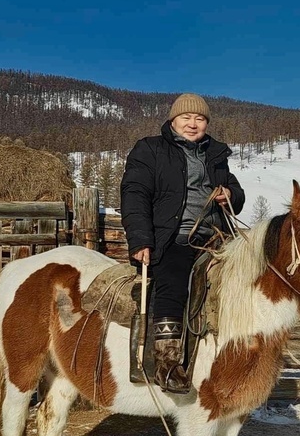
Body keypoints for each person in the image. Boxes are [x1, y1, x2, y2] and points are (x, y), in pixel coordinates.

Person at [120, 93, 245, 393]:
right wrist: (140, 240)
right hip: (173, 237)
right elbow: (134, 194)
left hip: (216, 240)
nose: (192, 124)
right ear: (173, 120)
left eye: (199, 119)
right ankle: (167, 362)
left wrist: (229, 194)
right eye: (186, 118)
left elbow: (236, 191)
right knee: (174, 280)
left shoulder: (215, 154)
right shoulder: (150, 149)